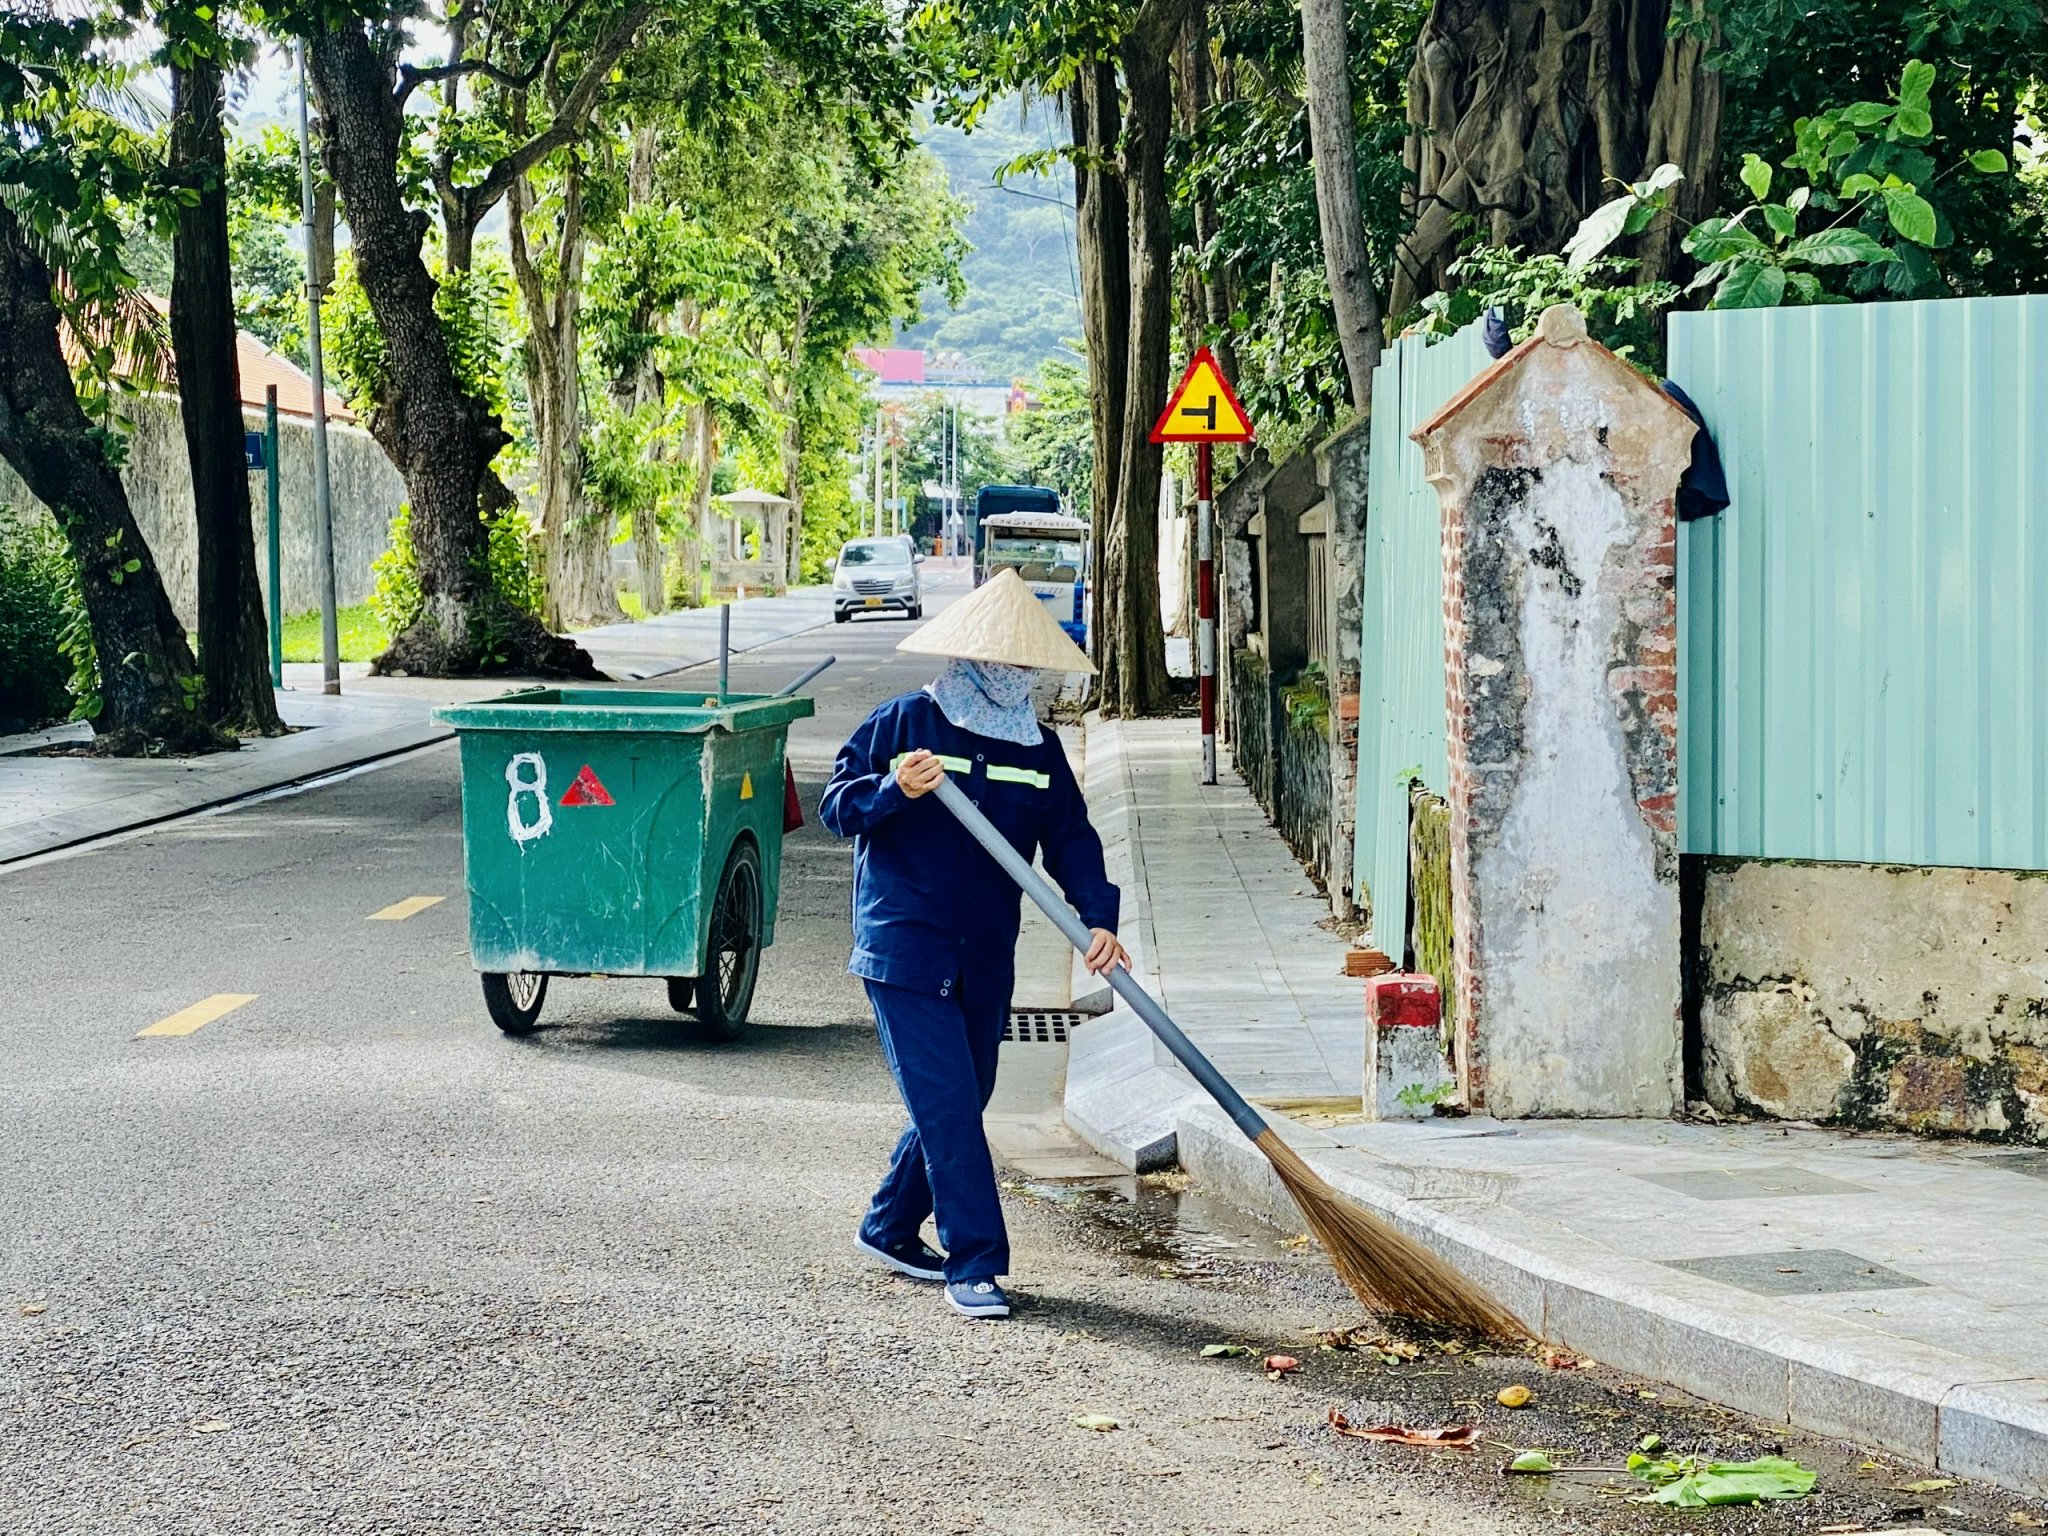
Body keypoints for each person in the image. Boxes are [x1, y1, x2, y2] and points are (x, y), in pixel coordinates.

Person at [820, 569, 1126, 1320]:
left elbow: (1072, 842)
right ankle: (976, 1261)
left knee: (967, 1092)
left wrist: (1098, 917)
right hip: (905, 948)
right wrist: (894, 790)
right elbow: (836, 807)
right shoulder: (904, 724)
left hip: (986, 952)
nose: (1014, 676)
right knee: (951, 1107)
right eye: (1003, 662)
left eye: (1026, 665)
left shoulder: (1038, 749)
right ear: (970, 657)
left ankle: (889, 1227)